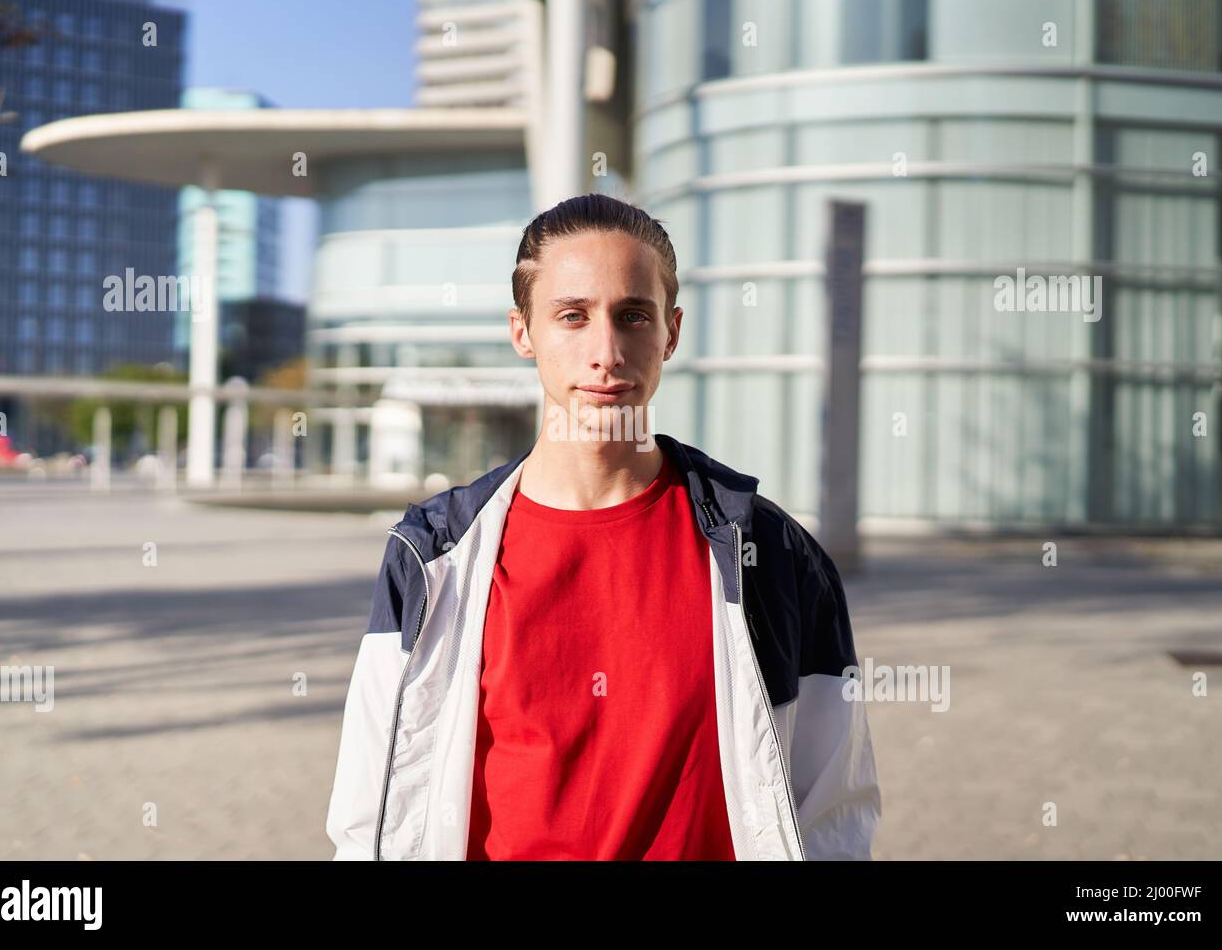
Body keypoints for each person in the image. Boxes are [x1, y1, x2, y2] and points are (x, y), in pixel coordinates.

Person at [325, 193, 880, 860]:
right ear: (521, 331)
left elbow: (832, 815)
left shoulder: (773, 553)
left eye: (632, 316)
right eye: (572, 316)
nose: (607, 352)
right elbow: (372, 815)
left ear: (671, 332)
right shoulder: (431, 555)